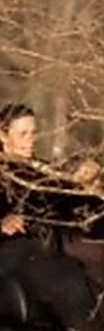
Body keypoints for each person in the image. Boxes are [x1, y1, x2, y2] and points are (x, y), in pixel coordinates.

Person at [0, 102, 40, 238]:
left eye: (34, 133)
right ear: (3, 136)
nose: (31, 140)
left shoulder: (43, 173)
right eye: (23, 134)